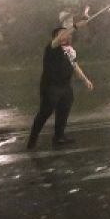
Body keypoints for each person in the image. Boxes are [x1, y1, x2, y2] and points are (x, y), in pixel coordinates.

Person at [27, 18, 94, 149]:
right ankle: (32, 140)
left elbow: (75, 66)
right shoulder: (51, 47)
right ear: (56, 37)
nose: (67, 36)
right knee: (45, 113)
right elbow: (62, 36)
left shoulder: (68, 51)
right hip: (51, 87)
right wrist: (75, 26)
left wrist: (85, 79)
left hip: (65, 86)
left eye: (68, 34)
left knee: (63, 111)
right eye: (64, 34)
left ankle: (59, 137)